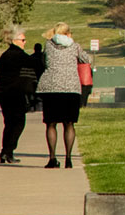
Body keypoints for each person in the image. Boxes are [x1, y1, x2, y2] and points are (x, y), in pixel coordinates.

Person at [35, 22, 91, 169]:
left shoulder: (48, 45)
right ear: (68, 33)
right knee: (69, 124)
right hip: (70, 88)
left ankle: (52, 158)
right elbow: (87, 60)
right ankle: (68, 158)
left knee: (51, 124)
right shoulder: (75, 46)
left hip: (51, 88)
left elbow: (43, 61)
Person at [0, 25, 35, 164]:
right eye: (23, 40)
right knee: (18, 123)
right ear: (15, 40)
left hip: (4, 95)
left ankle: (6, 151)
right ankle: (8, 150)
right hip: (15, 94)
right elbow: (34, 64)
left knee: (9, 123)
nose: (25, 42)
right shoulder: (19, 56)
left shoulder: (5, 56)